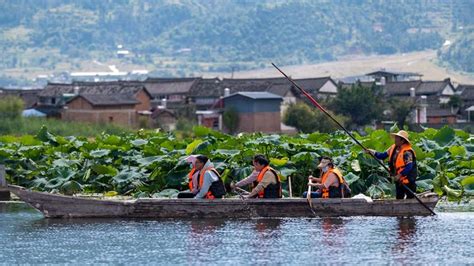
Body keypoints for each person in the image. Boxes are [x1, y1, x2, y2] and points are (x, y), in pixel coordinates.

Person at [365, 130, 417, 199]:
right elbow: (382, 155)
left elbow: (409, 167)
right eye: (396, 137)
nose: (395, 139)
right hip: (398, 180)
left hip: (408, 180)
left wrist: (400, 175)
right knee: (399, 198)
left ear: (402, 141)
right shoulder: (393, 148)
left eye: (397, 138)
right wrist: (372, 152)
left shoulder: (407, 152)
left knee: (410, 199)